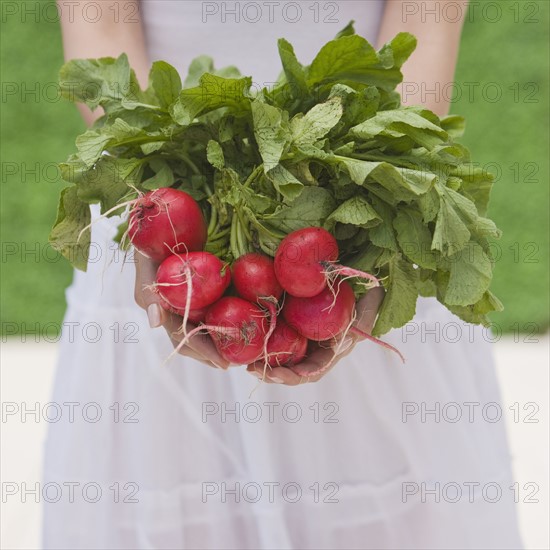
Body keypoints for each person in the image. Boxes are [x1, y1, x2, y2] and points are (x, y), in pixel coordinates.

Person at [44, 1, 523, 548]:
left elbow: (426, 18)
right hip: (175, 205)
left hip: (348, 202)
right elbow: (99, 25)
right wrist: (164, 191)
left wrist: (369, 227)